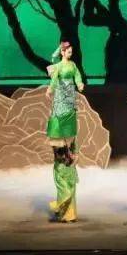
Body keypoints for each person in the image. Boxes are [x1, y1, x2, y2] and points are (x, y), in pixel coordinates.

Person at [45, 41, 84, 223]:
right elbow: (54, 79)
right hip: (61, 98)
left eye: (71, 51)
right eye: (67, 50)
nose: (70, 53)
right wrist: (50, 89)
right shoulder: (59, 66)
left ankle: (68, 210)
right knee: (60, 154)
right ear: (62, 51)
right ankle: (64, 207)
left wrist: (80, 84)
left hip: (70, 99)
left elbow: (77, 75)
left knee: (69, 136)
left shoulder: (73, 65)